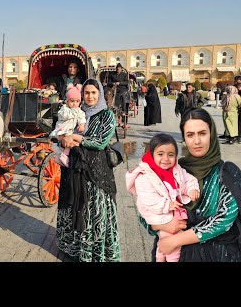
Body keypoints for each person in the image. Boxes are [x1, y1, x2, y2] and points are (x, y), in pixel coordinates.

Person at [149, 108, 241, 262]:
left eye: (202, 133)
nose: (197, 141)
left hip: (217, 255)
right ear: (184, 137)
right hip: (176, 255)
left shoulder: (227, 172)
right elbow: (147, 210)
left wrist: (175, 240)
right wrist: (163, 226)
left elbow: (224, 219)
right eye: (190, 135)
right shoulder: (173, 171)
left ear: (211, 134)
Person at [56, 79, 120, 262]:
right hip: (75, 167)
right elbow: (61, 130)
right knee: (75, 207)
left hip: (96, 171)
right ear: (82, 95)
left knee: (95, 211)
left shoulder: (107, 115)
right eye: (87, 93)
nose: (90, 96)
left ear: (99, 93)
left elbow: (100, 142)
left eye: (93, 93)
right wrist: (63, 139)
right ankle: (74, 248)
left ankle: (96, 252)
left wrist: (77, 137)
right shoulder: (76, 112)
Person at [126, 133, 200, 262]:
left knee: (164, 241)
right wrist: (167, 205)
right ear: (152, 154)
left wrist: (191, 189)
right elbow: (149, 199)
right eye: (160, 154)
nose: (166, 158)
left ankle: (160, 257)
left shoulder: (176, 169)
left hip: (171, 213)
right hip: (157, 213)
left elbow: (187, 180)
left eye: (171, 155)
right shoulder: (145, 176)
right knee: (172, 241)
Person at [50, 84, 86, 167]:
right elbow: (62, 115)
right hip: (62, 129)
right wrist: (72, 113)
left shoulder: (79, 111)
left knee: (72, 143)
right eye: (72, 101)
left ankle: (64, 155)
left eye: (77, 101)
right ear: (67, 101)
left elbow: (82, 117)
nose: (74, 104)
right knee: (68, 141)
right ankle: (62, 156)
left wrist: (82, 124)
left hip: (69, 131)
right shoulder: (64, 108)